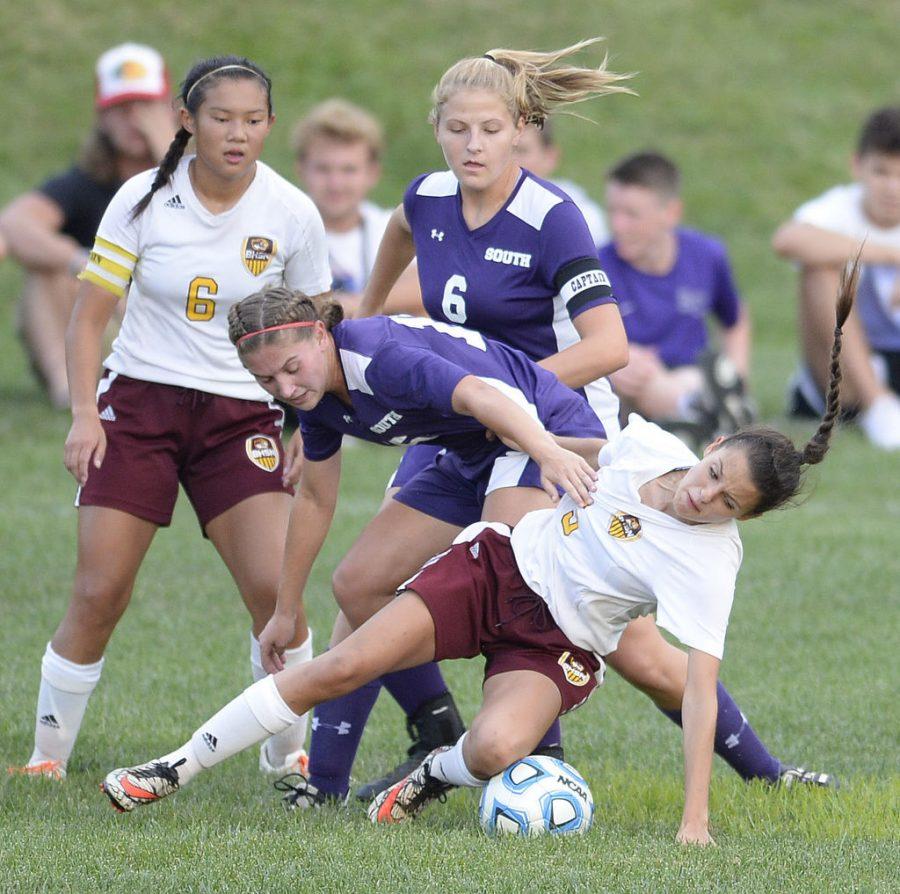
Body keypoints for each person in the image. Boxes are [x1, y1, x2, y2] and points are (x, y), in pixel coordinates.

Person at [99, 261, 855, 845]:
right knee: (356, 598)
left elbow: (495, 400)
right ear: (711, 448)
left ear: (320, 335)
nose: (285, 385)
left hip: (533, 429)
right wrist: (286, 607)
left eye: (729, 502)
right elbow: (318, 497)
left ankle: (483, 761)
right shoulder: (323, 386)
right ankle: (188, 766)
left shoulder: (386, 354)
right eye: (269, 380)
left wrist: (547, 456)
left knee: (625, 671)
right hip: (483, 491)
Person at [309, 39, 633, 805]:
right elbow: (396, 227)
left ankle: (533, 763)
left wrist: (511, 399)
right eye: (457, 129)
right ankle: (415, 738)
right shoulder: (427, 198)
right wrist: (368, 309)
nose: (473, 144)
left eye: (489, 129)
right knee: (359, 585)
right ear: (437, 129)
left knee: (508, 587)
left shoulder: (551, 217)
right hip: (461, 424)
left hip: (553, 425)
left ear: (521, 127)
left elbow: (611, 346)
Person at [6, 56, 332, 782]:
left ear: (269, 126)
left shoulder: (290, 212)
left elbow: (318, 331)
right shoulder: (140, 199)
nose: (238, 134)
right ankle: (45, 761)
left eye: (253, 121)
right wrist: (85, 415)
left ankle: (289, 762)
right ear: (187, 121)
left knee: (276, 595)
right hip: (140, 407)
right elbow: (89, 319)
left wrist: (309, 428)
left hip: (240, 415)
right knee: (99, 591)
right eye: (221, 119)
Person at [0, 43, 177, 408]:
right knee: (47, 269)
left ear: (171, 114)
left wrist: (168, 152)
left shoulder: (201, 183)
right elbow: (15, 223)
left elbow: (206, 222)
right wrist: (85, 262)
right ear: (102, 118)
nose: (134, 121)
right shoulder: (89, 183)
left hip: (175, 330)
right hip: (104, 331)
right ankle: (68, 389)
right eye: (121, 110)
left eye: (145, 109)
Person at [600, 151, 754, 440]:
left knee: (692, 378)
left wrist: (739, 377)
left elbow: (735, 319)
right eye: (612, 211)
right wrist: (610, 364)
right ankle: (706, 414)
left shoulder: (706, 255)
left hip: (689, 376)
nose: (618, 225)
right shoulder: (597, 267)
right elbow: (573, 339)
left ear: (670, 214)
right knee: (641, 374)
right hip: (625, 391)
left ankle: (704, 410)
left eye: (631, 214)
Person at [772, 105, 900, 450]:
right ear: (857, 165)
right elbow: (787, 240)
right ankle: (877, 405)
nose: (892, 187)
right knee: (820, 268)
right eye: (882, 172)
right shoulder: (837, 209)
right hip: (841, 375)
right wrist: (890, 253)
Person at [292, 98, 422, 316]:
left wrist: (350, 305)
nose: (336, 184)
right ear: (301, 169)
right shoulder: (283, 225)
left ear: (373, 173)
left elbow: (426, 286)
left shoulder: (387, 225)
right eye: (323, 169)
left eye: (349, 170)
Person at [512, 118, 609, 247]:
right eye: (503, 150)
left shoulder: (581, 218)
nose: (510, 161)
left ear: (550, 157)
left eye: (521, 151)